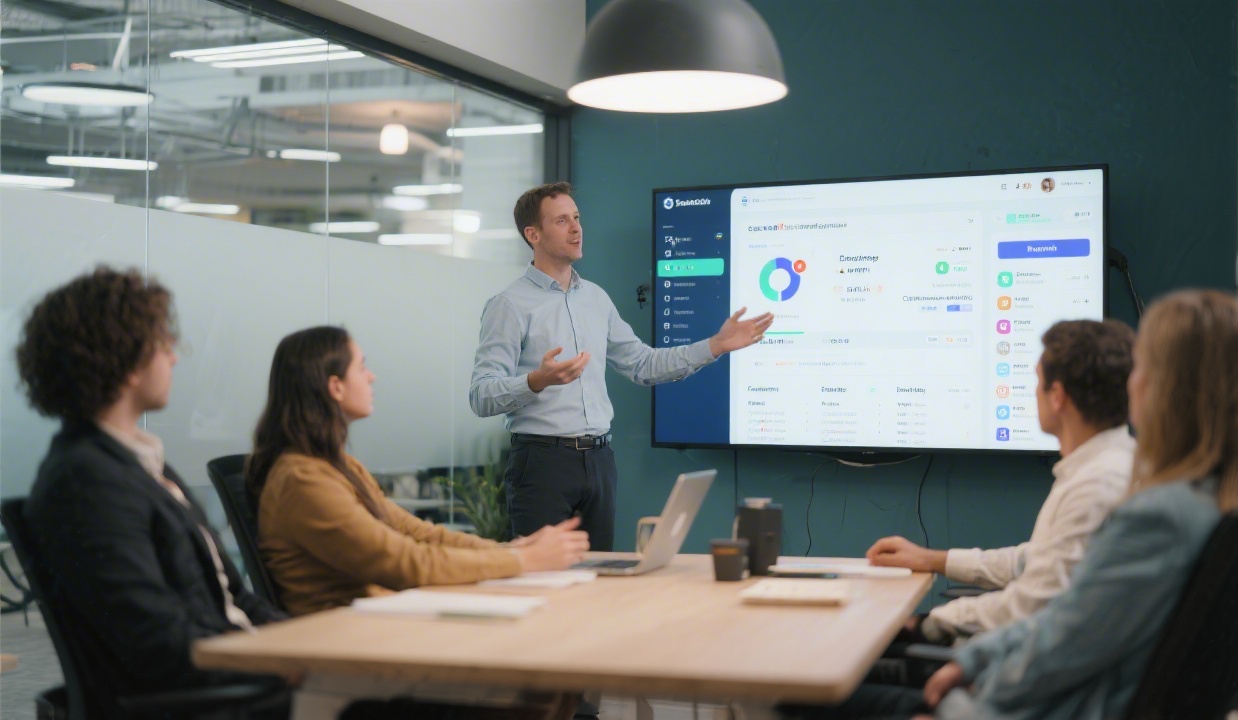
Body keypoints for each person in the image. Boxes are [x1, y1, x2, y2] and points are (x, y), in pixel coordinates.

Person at [847, 290, 1238, 719]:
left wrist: (971, 679)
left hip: (1045, 708)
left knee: (818, 694)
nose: (1133, 381)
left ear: (1167, 388)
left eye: (1143, 366)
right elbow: (1069, 612)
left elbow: (1065, 638)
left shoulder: (1159, 515)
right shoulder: (1226, 508)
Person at [16, 267, 289, 709]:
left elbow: (233, 599)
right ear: (125, 361)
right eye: (164, 344)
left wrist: (308, 642)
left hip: (247, 680)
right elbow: (158, 644)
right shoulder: (85, 482)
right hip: (223, 698)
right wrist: (286, 664)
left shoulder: (142, 465)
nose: (175, 358)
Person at [470, 182, 774, 550]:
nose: (577, 228)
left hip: (599, 462)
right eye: (562, 220)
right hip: (542, 464)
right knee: (545, 583)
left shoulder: (596, 298)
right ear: (533, 234)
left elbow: (644, 364)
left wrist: (714, 345)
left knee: (599, 583)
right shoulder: (509, 304)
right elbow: (482, 394)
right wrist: (535, 381)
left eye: (577, 218)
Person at [248, 326, 589, 617]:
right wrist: (522, 560)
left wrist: (510, 552)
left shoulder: (336, 465)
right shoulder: (302, 479)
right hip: (346, 639)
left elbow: (419, 534)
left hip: (379, 622)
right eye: (362, 367)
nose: (372, 376)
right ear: (335, 387)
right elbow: (405, 563)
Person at [868, 319, 1136, 644]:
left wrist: (929, 622)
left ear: (1057, 397)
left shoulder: (1096, 486)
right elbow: (1032, 562)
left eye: (1037, 381)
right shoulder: (1108, 465)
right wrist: (932, 560)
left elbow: (1032, 606)